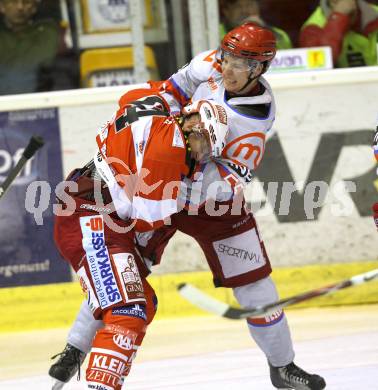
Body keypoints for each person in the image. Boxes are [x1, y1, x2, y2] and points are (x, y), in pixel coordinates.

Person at [49, 23, 326, 390]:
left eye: (240, 64)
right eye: (226, 57)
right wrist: (162, 147)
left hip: (208, 197)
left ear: (260, 69)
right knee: (126, 271)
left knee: (253, 278)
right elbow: (173, 89)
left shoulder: (252, 119)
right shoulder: (212, 63)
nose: (227, 68)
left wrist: (178, 179)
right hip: (160, 180)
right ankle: (77, 347)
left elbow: (229, 177)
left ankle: (283, 366)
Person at [52, 88, 229, 390]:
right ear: (193, 126)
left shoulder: (158, 112)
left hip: (94, 207)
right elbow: (149, 216)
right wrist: (193, 194)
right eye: (205, 143)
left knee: (140, 301)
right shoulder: (171, 153)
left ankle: (75, 350)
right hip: (91, 215)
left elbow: (135, 95)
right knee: (128, 308)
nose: (204, 155)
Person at [0, 0, 63, 94]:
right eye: (13, 2)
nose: (20, 7)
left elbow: (58, 72)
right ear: (2, 7)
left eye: (26, 2)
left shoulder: (48, 34)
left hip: (41, 101)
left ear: (34, 7)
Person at [299, 0, 378, 68]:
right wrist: (338, 18)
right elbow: (317, 66)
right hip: (348, 83)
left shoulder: (374, 13)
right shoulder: (313, 27)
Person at [219, 0, 292, 49]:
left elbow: (288, 59)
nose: (245, 11)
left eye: (249, 4)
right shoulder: (215, 33)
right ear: (226, 11)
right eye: (238, 6)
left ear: (258, 7)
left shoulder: (278, 34)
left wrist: (264, 32)